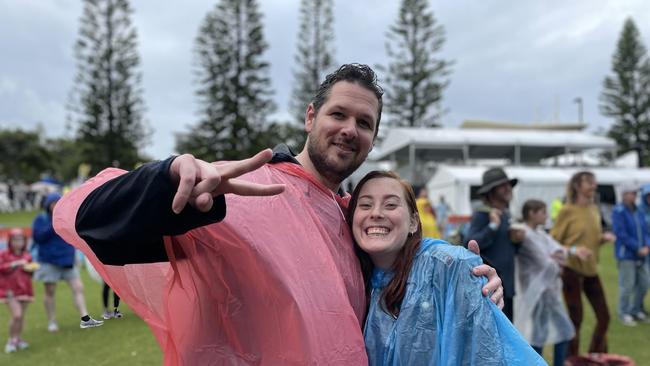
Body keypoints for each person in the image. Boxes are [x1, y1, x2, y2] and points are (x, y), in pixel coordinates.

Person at [52, 64, 503, 365]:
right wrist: (167, 182)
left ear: (373, 137)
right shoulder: (242, 194)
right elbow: (94, 225)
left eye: (364, 123)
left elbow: (408, 283)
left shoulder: (353, 220)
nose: (349, 130)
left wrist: (472, 281)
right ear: (310, 116)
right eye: (338, 114)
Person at [349, 171, 544, 365]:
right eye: (365, 205)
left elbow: (483, 355)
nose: (375, 213)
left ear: (413, 222)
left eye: (391, 205)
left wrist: (470, 273)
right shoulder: (355, 279)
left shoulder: (448, 266)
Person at [515, 199, 592, 366]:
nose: (546, 216)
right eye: (543, 212)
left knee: (554, 331)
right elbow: (544, 261)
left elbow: (556, 249)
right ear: (531, 213)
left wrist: (572, 251)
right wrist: (558, 260)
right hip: (537, 292)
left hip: (547, 291)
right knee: (546, 333)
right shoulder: (526, 235)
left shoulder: (540, 234)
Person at [551, 171, 614, 356]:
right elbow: (552, 242)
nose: (594, 185)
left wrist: (603, 238)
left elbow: (591, 238)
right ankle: (572, 358)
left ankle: (595, 355)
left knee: (604, 318)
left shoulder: (594, 209)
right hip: (571, 271)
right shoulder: (566, 211)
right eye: (589, 182)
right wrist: (574, 250)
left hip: (591, 271)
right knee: (575, 319)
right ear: (577, 186)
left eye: (594, 182)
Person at [32, 192, 103, 331]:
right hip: (49, 260)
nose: (55, 206)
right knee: (50, 291)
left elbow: (74, 237)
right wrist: (54, 225)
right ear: (48, 205)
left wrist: (77, 256)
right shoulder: (41, 220)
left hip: (67, 260)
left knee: (78, 287)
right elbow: (38, 238)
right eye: (53, 203)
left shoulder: (67, 219)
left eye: (58, 203)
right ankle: (52, 321)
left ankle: (85, 317)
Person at [465, 167, 524, 321]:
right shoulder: (482, 214)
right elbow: (470, 244)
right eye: (502, 185)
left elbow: (508, 250)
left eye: (508, 184)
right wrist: (492, 226)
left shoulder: (505, 215)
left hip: (507, 287)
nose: (508, 188)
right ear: (491, 191)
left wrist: (517, 241)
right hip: (490, 290)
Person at [611, 182, 650, 326]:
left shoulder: (638, 211)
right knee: (627, 285)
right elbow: (621, 233)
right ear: (624, 195)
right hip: (626, 255)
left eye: (634, 193)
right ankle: (624, 312)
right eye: (630, 193)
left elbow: (645, 230)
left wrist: (647, 245)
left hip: (643, 254)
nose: (633, 196)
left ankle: (636, 309)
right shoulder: (618, 211)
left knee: (644, 284)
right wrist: (636, 247)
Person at [0, 229, 36, 353]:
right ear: (10, 241)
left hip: (25, 289)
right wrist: (15, 263)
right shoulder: (4, 254)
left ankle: (18, 339)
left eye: (20, 240)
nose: (18, 243)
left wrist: (31, 268)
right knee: (16, 315)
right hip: (9, 290)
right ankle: (11, 340)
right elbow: (2, 268)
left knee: (21, 316)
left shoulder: (27, 255)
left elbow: (30, 273)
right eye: (15, 240)